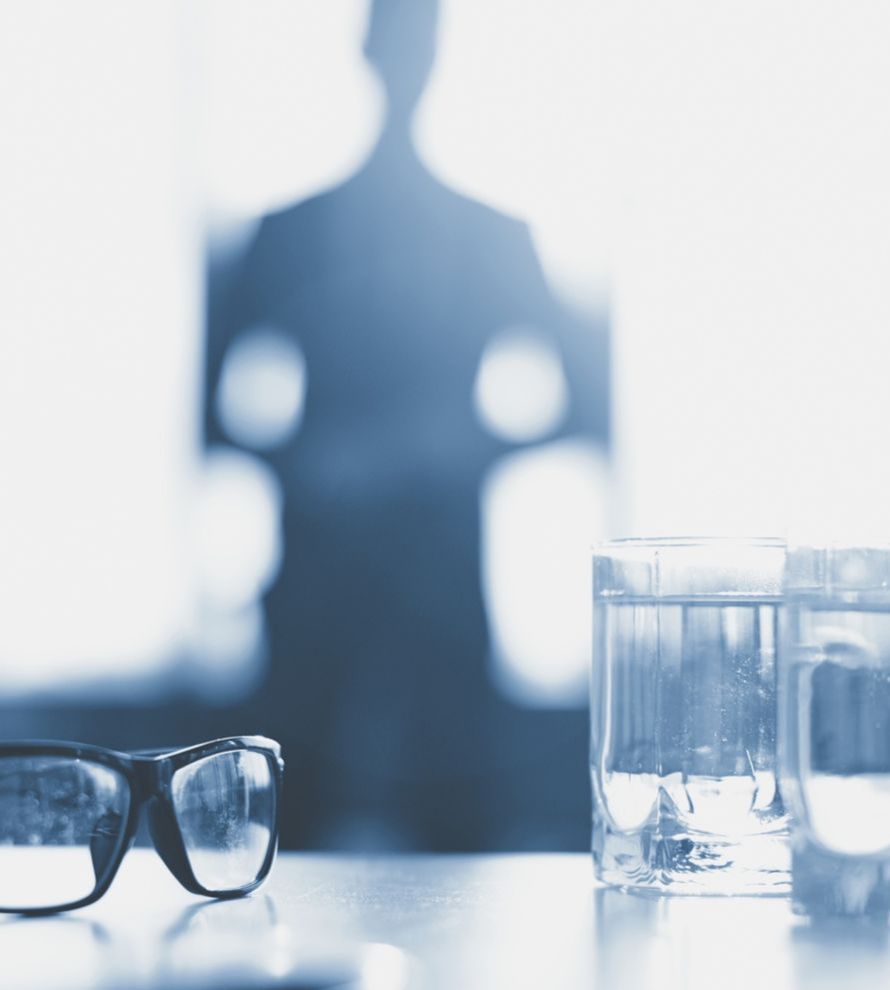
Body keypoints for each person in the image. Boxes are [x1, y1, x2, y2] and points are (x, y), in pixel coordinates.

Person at [206, 0, 604, 847]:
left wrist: (449, 450)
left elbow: (583, 403)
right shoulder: (293, 231)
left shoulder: (489, 234)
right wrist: (314, 462)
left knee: (450, 806)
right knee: (291, 806)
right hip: (326, 558)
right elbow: (209, 414)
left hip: (436, 567)